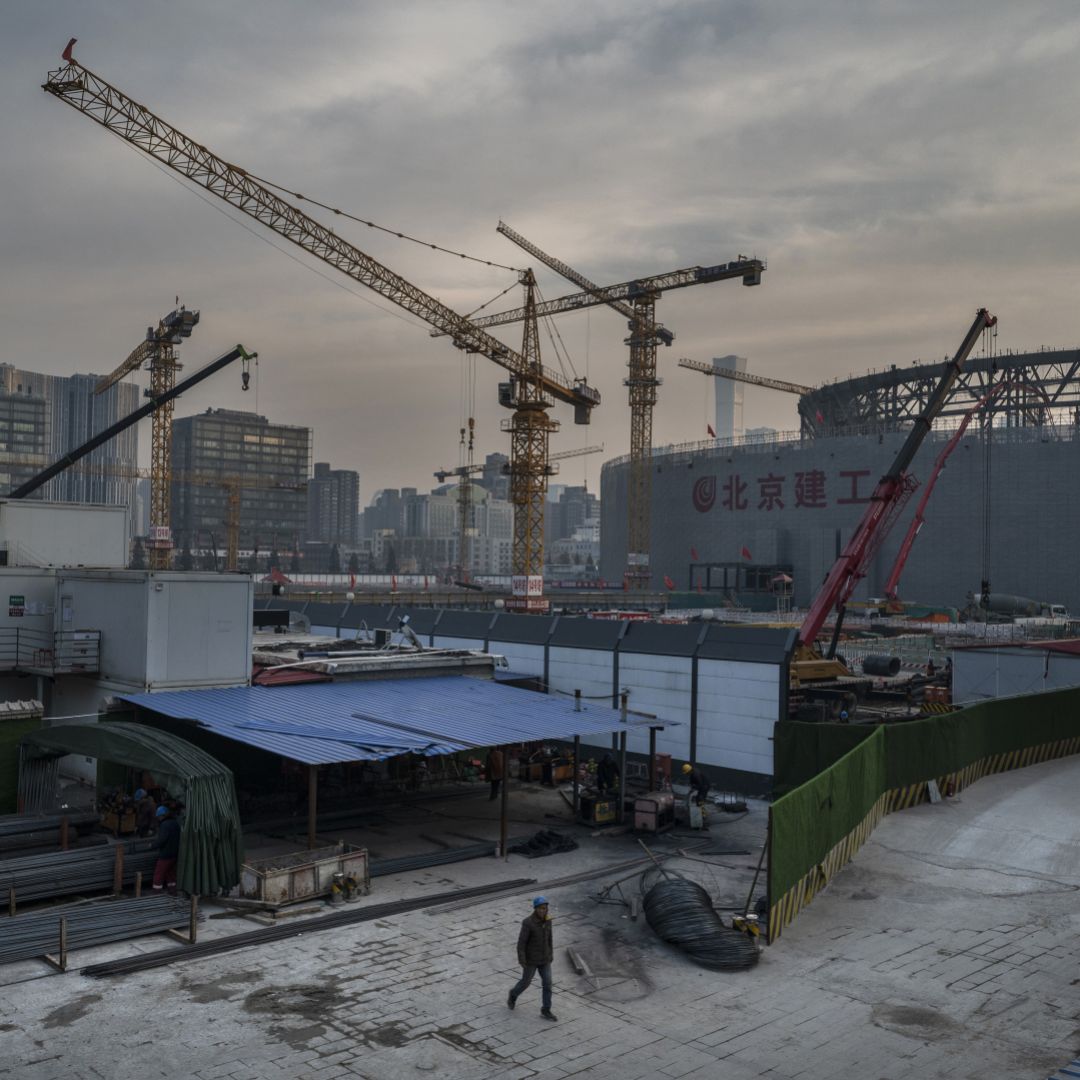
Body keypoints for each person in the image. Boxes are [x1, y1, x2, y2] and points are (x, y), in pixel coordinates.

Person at [508, 896, 556, 1021]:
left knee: (548, 984)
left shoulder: (548, 920)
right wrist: (522, 960)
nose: (542, 911)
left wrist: (550, 954)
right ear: (535, 909)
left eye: (544, 908)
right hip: (531, 960)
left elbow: (550, 938)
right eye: (540, 908)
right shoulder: (528, 923)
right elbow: (521, 943)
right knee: (526, 982)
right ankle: (513, 994)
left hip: (545, 959)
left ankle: (546, 1010)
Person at [152, 805, 181, 895]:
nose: (158, 819)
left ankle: (157, 893)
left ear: (162, 816)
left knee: (159, 874)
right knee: (170, 873)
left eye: (159, 817)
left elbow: (162, 839)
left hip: (165, 854)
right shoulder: (175, 823)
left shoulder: (164, 825)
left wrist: (153, 845)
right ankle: (172, 890)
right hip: (174, 853)